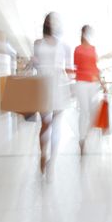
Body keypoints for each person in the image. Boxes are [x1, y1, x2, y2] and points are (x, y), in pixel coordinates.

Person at [32, 12, 72, 175]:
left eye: (55, 20)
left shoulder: (65, 46)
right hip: (42, 83)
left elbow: (68, 70)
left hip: (59, 85)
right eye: (50, 20)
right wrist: (34, 63)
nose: (53, 23)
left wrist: (70, 84)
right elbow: (35, 64)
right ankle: (43, 154)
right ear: (46, 23)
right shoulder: (37, 43)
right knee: (45, 123)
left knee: (57, 125)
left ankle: (53, 161)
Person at [73, 25, 105, 155]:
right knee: (84, 111)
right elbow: (77, 66)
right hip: (81, 83)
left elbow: (95, 67)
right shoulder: (77, 49)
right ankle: (81, 139)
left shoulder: (93, 49)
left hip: (92, 83)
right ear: (84, 33)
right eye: (88, 32)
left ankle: (86, 133)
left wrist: (103, 83)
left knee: (93, 111)